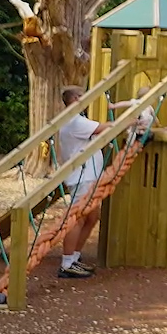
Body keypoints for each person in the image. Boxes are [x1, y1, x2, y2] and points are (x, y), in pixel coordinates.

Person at [53, 84, 113, 279]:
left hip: (89, 175)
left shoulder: (77, 120)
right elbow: (105, 128)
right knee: (77, 218)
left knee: (92, 217)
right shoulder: (75, 121)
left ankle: (74, 258)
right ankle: (67, 262)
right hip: (82, 177)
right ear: (77, 99)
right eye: (84, 96)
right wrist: (132, 119)